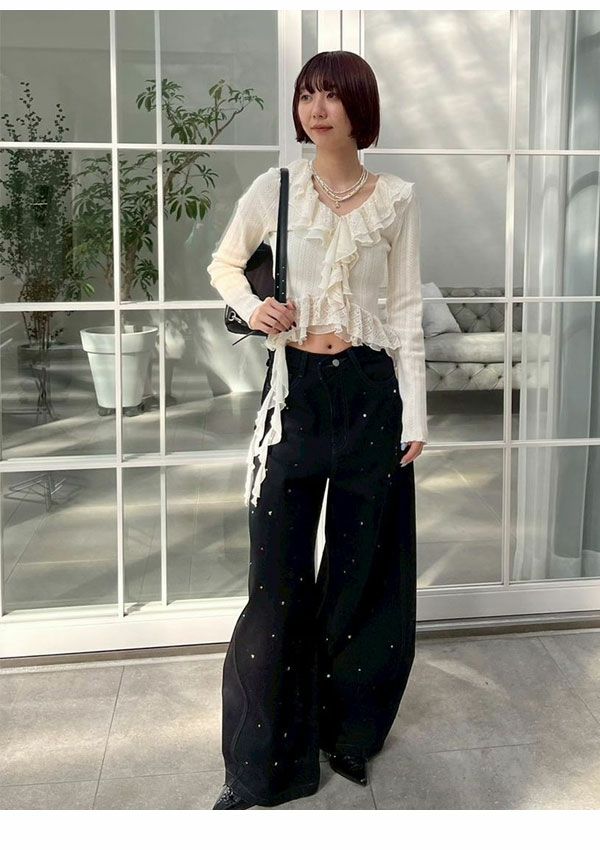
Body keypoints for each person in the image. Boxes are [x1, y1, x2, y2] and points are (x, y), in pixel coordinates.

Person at [207, 50, 428, 809]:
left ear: (360, 106)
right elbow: (225, 265)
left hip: (371, 394)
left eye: (332, 95)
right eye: (307, 95)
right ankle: (260, 766)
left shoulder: (396, 198)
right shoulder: (275, 188)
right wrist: (253, 307)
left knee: (366, 573)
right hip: (295, 397)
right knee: (276, 583)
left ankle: (349, 734)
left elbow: (405, 312)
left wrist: (416, 413)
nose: (316, 108)